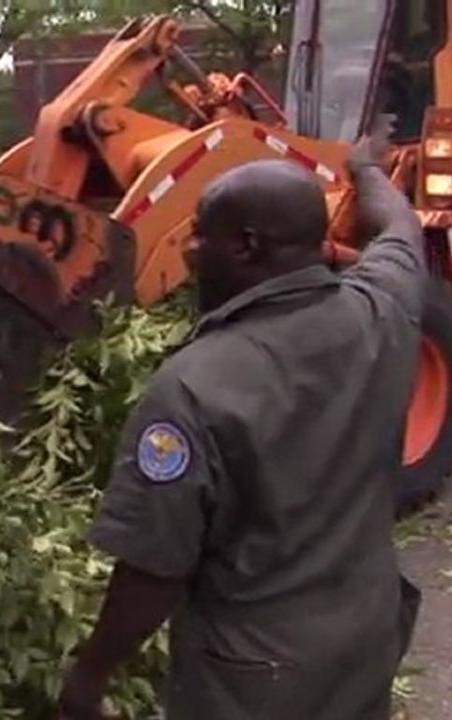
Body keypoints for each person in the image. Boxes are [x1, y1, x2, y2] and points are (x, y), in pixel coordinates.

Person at [57, 115, 426, 720]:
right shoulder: (383, 311)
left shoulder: (193, 386)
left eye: (201, 235)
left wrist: (90, 675)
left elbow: (154, 568)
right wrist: (366, 169)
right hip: (365, 638)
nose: (189, 248)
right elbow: (401, 226)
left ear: (249, 245)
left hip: (256, 681)